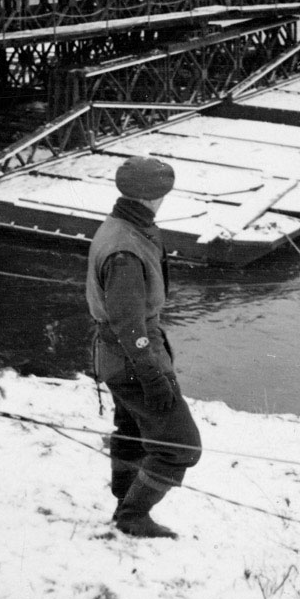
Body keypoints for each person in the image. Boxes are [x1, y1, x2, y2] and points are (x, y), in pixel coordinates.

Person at [86, 156, 201, 538]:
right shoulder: (126, 249)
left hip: (118, 356)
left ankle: (124, 503)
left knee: (133, 430)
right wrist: (152, 376)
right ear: (154, 197)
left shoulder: (122, 226)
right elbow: (127, 324)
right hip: (134, 358)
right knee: (181, 447)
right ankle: (133, 516)